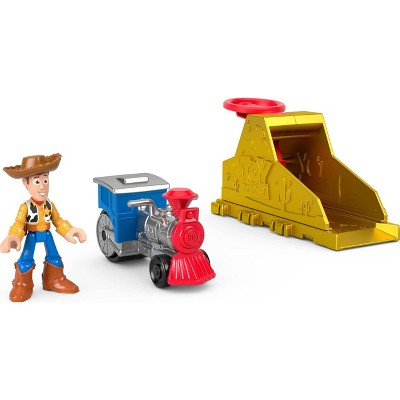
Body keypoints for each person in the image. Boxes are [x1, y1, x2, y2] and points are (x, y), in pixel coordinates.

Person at [1, 153, 87, 302]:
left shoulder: (50, 205)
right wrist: (13, 236)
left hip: (47, 234)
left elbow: (58, 220)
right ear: (26, 183)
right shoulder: (25, 207)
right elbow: (18, 224)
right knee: (26, 257)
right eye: (37, 181)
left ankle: (54, 279)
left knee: (53, 255)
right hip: (31, 235)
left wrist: (69, 230)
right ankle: (23, 283)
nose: (42, 186)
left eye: (45, 180)